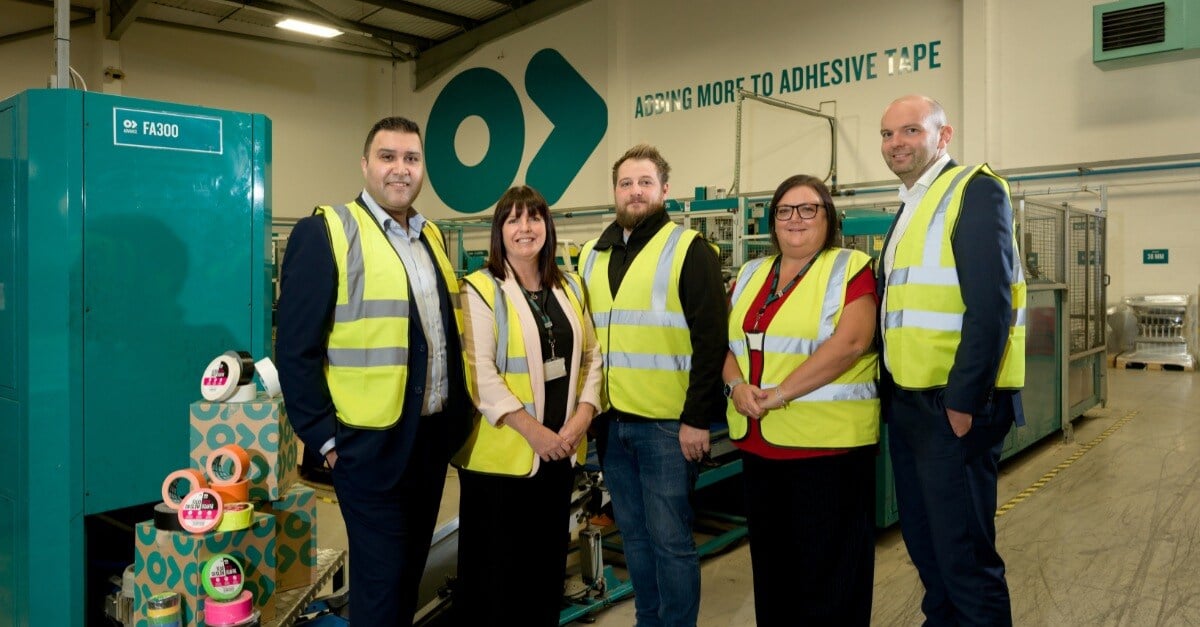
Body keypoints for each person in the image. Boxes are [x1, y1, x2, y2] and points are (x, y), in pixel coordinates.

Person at [275, 116, 471, 623]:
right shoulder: (327, 232)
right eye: (388, 157)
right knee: (380, 591)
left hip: (428, 443)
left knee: (407, 579)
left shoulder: (431, 237)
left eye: (411, 158)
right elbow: (295, 350)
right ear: (365, 165)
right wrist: (327, 441)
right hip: (366, 447)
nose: (400, 169)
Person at [877, 94, 1026, 626]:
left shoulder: (974, 190)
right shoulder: (911, 204)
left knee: (964, 558)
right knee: (926, 546)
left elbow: (991, 305)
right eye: (888, 134)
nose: (896, 143)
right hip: (911, 405)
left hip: (953, 408)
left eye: (910, 130)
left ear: (943, 136)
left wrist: (963, 402)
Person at [578, 144, 727, 627]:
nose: (635, 191)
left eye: (645, 182)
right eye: (626, 183)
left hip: (668, 427)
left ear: (664, 190)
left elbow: (711, 341)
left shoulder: (689, 250)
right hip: (611, 425)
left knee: (671, 541)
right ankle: (648, 620)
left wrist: (697, 419)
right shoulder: (591, 256)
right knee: (635, 539)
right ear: (615, 192)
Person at [722, 174, 879, 626]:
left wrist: (779, 394)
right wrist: (736, 386)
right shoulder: (750, 274)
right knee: (774, 574)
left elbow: (851, 343)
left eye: (809, 209)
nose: (796, 219)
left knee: (831, 578)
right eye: (785, 210)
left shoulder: (851, 268)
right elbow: (724, 343)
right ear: (773, 221)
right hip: (760, 447)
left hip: (828, 452)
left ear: (828, 218)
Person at [453, 185, 603, 626]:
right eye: (513, 219)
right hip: (500, 463)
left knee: (544, 574)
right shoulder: (481, 289)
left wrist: (583, 416)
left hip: (559, 455)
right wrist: (536, 433)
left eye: (534, 217)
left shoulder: (570, 286)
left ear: (547, 227)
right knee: (495, 584)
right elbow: (480, 375)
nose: (525, 228)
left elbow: (592, 357)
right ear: (499, 231)